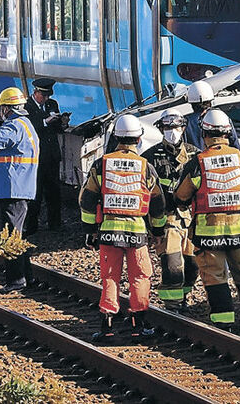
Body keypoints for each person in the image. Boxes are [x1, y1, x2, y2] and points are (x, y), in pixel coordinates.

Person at [174, 109, 240, 330]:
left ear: (204, 134)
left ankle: (224, 323)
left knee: (215, 276)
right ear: (227, 133)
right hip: (238, 231)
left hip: (209, 234)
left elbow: (182, 195)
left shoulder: (198, 162)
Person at [79, 114, 166, 340]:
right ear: (138, 139)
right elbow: (157, 202)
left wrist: (90, 231)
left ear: (116, 137)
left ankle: (107, 326)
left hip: (108, 233)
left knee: (110, 277)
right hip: (137, 234)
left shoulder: (102, 164)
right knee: (140, 276)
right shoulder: (146, 167)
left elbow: (87, 199)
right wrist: (157, 231)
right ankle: (139, 325)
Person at [0, 87, 40, 292]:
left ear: (6, 108)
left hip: (13, 187)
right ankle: (27, 277)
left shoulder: (14, 126)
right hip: (22, 187)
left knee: (10, 236)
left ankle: (15, 280)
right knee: (17, 234)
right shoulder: (27, 124)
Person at [141, 110, 199, 312]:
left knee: (193, 266)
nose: (172, 132)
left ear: (183, 128)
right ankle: (172, 307)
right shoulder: (150, 158)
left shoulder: (195, 154)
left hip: (192, 220)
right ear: (161, 129)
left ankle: (183, 297)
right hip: (167, 220)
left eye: (175, 127)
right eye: (167, 128)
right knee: (173, 265)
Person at [24, 78, 69, 233]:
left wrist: (62, 122)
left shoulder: (52, 105)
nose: (46, 99)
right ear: (36, 93)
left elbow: (57, 129)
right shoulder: (26, 107)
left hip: (51, 155)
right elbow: (29, 126)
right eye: (43, 96)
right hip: (36, 156)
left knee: (53, 191)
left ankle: (54, 224)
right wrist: (45, 121)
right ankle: (31, 226)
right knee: (34, 193)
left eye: (48, 96)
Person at [184, 80, 238, 151]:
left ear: (191, 103)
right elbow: (235, 144)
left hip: (197, 161)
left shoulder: (185, 123)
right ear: (210, 101)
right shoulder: (222, 118)